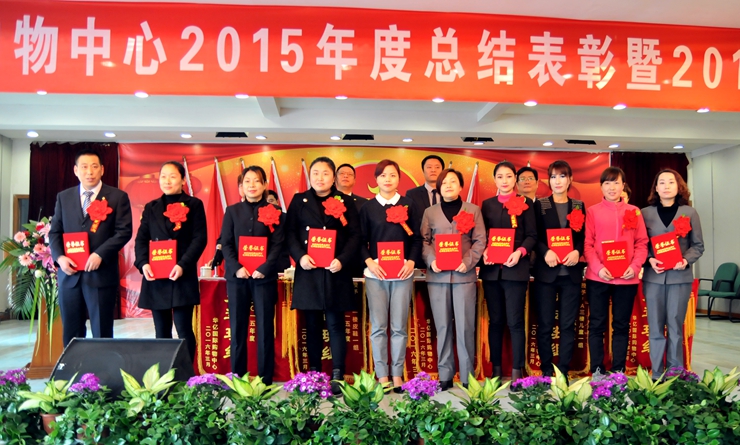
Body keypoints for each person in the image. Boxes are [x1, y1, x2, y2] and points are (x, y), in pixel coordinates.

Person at [286, 157, 361, 393]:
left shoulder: (345, 201)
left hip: (335, 271)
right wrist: (300, 257)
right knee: (312, 325)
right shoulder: (299, 201)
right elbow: (290, 234)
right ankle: (314, 374)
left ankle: (338, 374)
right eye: (315, 173)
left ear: (333, 177)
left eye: (325, 173)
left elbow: (355, 235)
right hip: (309, 272)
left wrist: (342, 260)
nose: (320, 178)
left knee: (336, 324)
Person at [49, 148, 133, 346]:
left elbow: (123, 232)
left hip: (100, 274)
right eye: (84, 167)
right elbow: (55, 232)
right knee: (71, 332)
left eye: (94, 166)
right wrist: (60, 258)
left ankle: (101, 366)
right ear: (75, 170)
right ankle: (73, 366)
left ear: (102, 169)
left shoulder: (117, 197)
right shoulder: (64, 197)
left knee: (102, 330)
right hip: (70, 276)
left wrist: (100, 254)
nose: (89, 172)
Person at [134, 161, 207, 362]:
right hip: (156, 276)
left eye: (173, 176)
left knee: (184, 329)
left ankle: (186, 373)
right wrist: (143, 263)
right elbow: (141, 239)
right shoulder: (151, 207)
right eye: (163, 176)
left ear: (183, 180)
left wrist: (183, 265)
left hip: (181, 275)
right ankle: (164, 373)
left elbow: (199, 239)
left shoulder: (194, 205)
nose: (167, 180)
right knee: (161, 330)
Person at [360, 159, 422, 390]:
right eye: (383, 175)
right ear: (376, 179)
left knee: (398, 327)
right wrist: (369, 262)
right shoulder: (368, 207)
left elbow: (417, 238)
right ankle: (382, 375)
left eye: (392, 175)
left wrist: (412, 261)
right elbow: (359, 240)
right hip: (376, 274)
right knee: (378, 326)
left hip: (403, 273)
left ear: (399, 178)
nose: (387, 179)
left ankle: (397, 373)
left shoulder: (409, 204)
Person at [421, 169, 486, 390]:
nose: (448, 185)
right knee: (442, 327)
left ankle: (467, 376)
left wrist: (467, 261)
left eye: (453, 181)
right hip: (437, 277)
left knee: (465, 326)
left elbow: (480, 240)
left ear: (460, 186)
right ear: (439, 187)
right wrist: (431, 260)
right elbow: (424, 241)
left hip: (464, 276)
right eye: (444, 182)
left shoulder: (473, 210)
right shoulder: (430, 212)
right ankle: (445, 374)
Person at [220, 166, 286, 383]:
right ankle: (237, 377)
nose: (252, 185)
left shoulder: (275, 212)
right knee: (238, 328)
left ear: (265, 185)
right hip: (237, 278)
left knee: (265, 328)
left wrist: (264, 268)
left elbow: (277, 245)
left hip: (264, 278)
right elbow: (226, 243)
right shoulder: (232, 211)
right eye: (247, 181)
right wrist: (236, 267)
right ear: (241, 186)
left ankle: (265, 379)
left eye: (257, 181)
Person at [584, 166, 648, 374]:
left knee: (621, 325)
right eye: (607, 183)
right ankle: (597, 369)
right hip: (598, 278)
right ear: (601, 187)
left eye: (616, 183)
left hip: (626, 278)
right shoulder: (592, 211)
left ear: (623, 186)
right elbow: (588, 245)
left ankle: (618, 370)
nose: (612, 187)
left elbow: (642, 243)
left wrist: (635, 266)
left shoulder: (634, 211)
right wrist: (598, 268)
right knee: (597, 324)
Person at [641, 169, 703, 376]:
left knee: (675, 326)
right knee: (655, 327)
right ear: (656, 188)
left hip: (680, 278)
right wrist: (649, 259)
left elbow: (698, 245)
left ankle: (675, 373)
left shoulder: (690, 213)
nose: (666, 186)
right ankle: (656, 374)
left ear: (679, 187)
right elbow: (640, 244)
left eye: (671, 182)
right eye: (662, 182)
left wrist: (685, 260)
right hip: (654, 278)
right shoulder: (645, 213)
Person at [479, 161, 537, 381]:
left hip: (516, 271)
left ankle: (516, 372)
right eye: (500, 176)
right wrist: (485, 250)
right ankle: (495, 370)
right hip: (492, 272)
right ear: (495, 180)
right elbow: (482, 235)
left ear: (515, 179)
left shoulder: (525, 203)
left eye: (509, 176)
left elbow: (532, 235)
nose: (504, 181)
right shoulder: (487, 205)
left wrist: (520, 252)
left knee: (515, 321)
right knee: (496, 321)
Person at [532, 160, 586, 380]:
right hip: (546, 273)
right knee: (545, 324)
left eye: (562, 176)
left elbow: (583, 236)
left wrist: (577, 251)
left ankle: (563, 369)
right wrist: (545, 251)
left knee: (567, 325)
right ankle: (547, 368)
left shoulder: (578, 206)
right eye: (553, 177)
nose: (558, 181)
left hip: (570, 275)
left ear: (570, 179)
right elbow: (534, 235)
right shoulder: (540, 204)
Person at [406, 155, 445, 268]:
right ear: (423, 170)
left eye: (437, 167)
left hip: (445, 247)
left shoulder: (449, 193)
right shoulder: (412, 194)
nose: (433, 170)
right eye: (429, 167)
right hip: (421, 246)